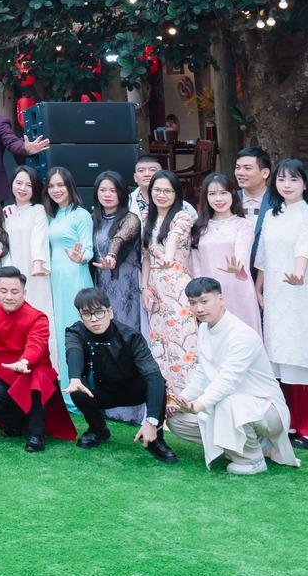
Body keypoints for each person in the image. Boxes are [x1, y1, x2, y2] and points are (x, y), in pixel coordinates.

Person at [168, 277, 298, 475]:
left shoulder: (241, 334)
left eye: (204, 301)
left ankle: (252, 459)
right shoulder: (204, 328)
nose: (199, 309)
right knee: (176, 419)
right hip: (232, 406)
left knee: (225, 402)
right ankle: (242, 444)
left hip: (266, 409)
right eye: (193, 303)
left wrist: (199, 405)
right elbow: (203, 373)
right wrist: (183, 400)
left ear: (220, 299)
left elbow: (227, 381)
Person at [61, 286, 178, 463]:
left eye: (99, 312)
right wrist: (75, 378)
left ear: (110, 312)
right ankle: (97, 429)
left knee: (157, 381)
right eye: (87, 314)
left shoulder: (131, 336)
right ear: (80, 316)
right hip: (100, 391)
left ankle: (155, 438)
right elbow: (73, 350)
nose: (94, 319)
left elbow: (152, 373)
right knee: (77, 389)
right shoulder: (75, 331)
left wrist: (152, 420)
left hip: (132, 390)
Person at [0, 266, 77, 451]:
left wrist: (24, 361)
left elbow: (36, 345)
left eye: (15, 291)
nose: (9, 296)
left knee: (38, 379)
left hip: (32, 372)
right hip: (2, 375)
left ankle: (36, 434)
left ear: (24, 293)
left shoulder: (37, 318)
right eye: (3, 291)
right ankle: (15, 423)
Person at [142, 169, 201, 401]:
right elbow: (146, 257)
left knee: (183, 345)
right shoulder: (147, 218)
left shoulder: (183, 216)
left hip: (178, 287)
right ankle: (166, 402)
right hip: (155, 290)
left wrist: (168, 257)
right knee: (160, 345)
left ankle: (190, 400)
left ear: (176, 194)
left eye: (167, 191)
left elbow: (175, 237)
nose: (162, 195)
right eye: (157, 190)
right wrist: (144, 288)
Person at [190, 171, 261, 334]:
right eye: (212, 194)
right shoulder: (199, 227)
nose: (218, 199)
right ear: (205, 197)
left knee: (242, 337)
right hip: (209, 294)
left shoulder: (243, 225)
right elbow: (196, 265)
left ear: (232, 195)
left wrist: (237, 266)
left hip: (238, 289)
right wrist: (199, 293)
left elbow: (242, 251)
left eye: (223, 193)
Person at [43, 167, 94, 375]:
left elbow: (88, 248)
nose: (56, 190)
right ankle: (65, 381)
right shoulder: (51, 216)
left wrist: (81, 258)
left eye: (60, 185)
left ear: (70, 186)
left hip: (75, 276)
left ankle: (81, 381)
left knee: (76, 327)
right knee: (60, 327)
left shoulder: (80, 215)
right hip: (55, 278)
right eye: (51, 186)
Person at [88, 170, 144, 339]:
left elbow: (119, 238)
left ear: (122, 193)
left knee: (126, 329)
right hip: (101, 282)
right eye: (103, 190)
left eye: (113, 190)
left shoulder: (131, 219)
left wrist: (111, 255)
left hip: (126, 283)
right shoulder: (93, 218)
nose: (107, 195)